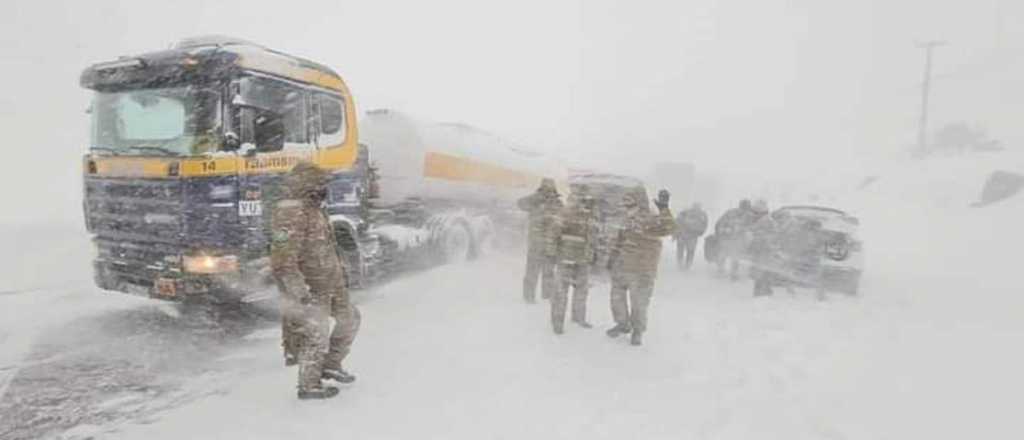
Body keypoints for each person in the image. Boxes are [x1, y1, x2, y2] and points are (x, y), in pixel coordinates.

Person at [271, 162, 360, 400]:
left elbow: (326, 247)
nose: (325, 187)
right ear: (306, 184)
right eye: (320, 183)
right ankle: (309, 385)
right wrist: (301, 293)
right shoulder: (291, 212)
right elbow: (282, 261)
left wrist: (343, 275)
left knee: (350, 319)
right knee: (315, 333)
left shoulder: (316, 207)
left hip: (332, 282)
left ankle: (331, 365)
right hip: (311, 287)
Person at [605, 188, 676, 346]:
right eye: (626, 204)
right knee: (617, 299)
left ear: (639, 203)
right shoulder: (626, 219)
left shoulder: (651, 220)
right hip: (623, 268)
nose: (627, 207)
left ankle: (637, 331)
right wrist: (612, 258)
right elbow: (619, 240)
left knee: (639, 303)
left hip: (643, 270)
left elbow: (670, 228)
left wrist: (664, 209)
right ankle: (623, 324)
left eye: (630, 204)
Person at [550, 190, 599, 334]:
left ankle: (578, 318)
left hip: (583, 260)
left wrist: (592, 254)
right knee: (561, 292)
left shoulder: (590, 215)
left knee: (581, 291)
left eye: (589, 201)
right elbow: (554, 233)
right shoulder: (566, 213)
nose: (588, 204)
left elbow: (592, 237)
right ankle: (557, 322)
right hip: (567, 258)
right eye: (585, 201)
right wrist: (553, 253)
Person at [517, 178, 563, 303]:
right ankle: (529, 296)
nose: (548, 192)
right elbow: (520, 203)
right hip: (536, 243)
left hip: (550, 243)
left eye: (550, 189)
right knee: (533, 271)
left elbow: (563, 220)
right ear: (541, 188)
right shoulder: (535, 201)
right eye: (545, 189)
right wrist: (537, 197)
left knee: (548, 271)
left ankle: (547, 295)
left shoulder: (557, 203)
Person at [713, 199, 752, 280]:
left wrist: (743, 231)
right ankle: (721, 270)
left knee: (736, 256)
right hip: (726, 238)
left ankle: (734, 273)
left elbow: (751, 227)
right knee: (722, 254)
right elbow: (720, 223)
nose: (744, 210)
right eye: (744, 208)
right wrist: (724, 230)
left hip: (738, 239)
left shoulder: (749, 216)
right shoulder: (730, 213)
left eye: (746, 208)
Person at [673, 202, 708, 270]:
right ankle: (682, 264)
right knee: (684, 249)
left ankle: (686, 265)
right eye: (695, 206)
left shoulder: (702, 214)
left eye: (697, 207)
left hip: (691, 235)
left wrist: (700, 232)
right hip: (685, 234)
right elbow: (677, 221)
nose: (696, 208)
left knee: (689, 250)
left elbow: (704, 225)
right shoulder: (686, 212)